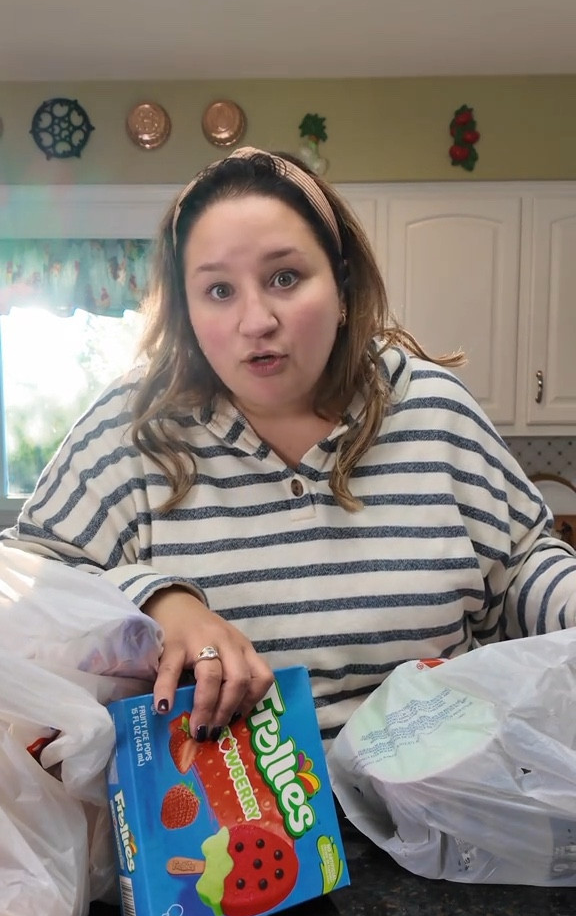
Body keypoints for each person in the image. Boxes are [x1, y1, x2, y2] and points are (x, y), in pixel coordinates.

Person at [3, 145, 576, 750]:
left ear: (343, 287)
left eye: (285, 277)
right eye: (219, 290)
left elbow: (519, 568)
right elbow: (26, 587)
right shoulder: (132, 430)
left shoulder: (433, 409)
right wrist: (160, 602)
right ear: (187, 312)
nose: (256, 320)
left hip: (440, 819)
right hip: (214, 832)